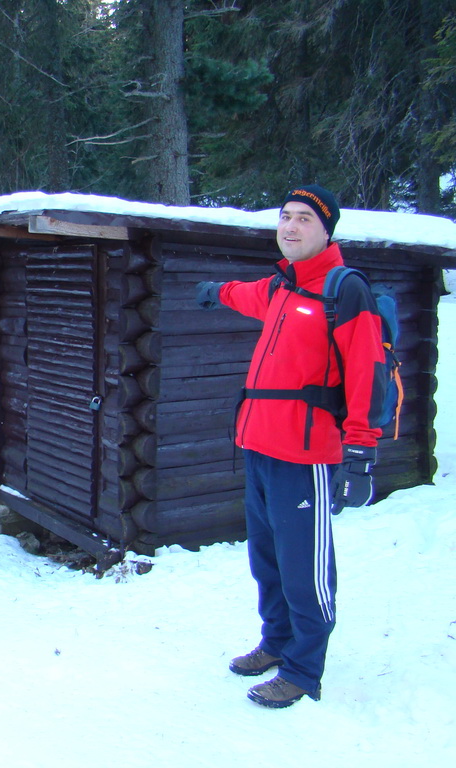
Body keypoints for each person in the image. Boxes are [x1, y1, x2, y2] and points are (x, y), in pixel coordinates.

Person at [195, 185, 386, 708]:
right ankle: (276, 642)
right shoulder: (281, 288)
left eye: (305, 218)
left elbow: (369, 371)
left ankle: (304, 670)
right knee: (268, 559)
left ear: (327, 231)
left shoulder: (344, 290)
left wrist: (361, 451)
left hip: (308, 456)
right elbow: (244, 294)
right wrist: (216, 290)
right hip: (259, 448)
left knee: (305, 567)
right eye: (285, 216)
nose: (291, 226)